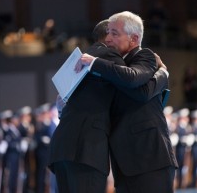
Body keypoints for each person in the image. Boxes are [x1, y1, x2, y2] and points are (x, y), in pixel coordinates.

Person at [49, 18, 168, 193]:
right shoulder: (107, 55)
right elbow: (137, 85)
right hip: (86, 150)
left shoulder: (78, 61)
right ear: (107, 37)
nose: (112, 38)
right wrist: (163, 73)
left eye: (115, 33)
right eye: (112, 33)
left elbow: (61, 101)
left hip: (62, 148)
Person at [78, 11, 177, 193]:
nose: (107, 38)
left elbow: (138, 89)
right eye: (108, 32)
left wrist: (94, 62)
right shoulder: (115, 66)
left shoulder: (144, 56)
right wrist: (163, 75)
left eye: (114, 33)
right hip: (125, 163)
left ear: (134, 39)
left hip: (150, 159)